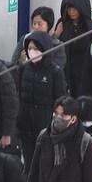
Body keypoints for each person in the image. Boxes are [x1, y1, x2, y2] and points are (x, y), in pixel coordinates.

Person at [17, 32, 66, 172]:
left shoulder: (55, 72)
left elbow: (61, 99)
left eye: (36, 48)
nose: (32, 52)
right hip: (25, 124)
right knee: (28, 163)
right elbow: (18, 94)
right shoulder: (23, 68)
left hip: (45, 125)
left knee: (43, 165)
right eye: (30, 48)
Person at [54, 0, 92, 97]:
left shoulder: (91, 27)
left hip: (83, 74)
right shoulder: (62, 24)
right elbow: (52, 47)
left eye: (75, 9)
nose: (71, 12)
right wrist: (56, 34)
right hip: (66, 72)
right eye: (69, 9)